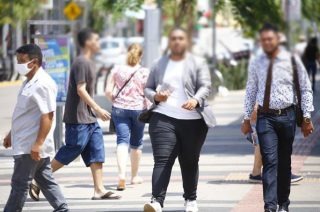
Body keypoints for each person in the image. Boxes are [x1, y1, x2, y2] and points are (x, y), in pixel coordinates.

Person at [29, 28, 121, 201]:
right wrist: (98, 109)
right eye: (96, 39)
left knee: (96, 151)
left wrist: (93, 112)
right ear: (88, 42)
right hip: (78, 117)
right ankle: (37, 178)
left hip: (88, 117)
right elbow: (80, 90)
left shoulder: (89, 62)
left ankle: (99, 190)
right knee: (73, 148)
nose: (99, 42)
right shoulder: (81, 62)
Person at [241, 23, 314, 212]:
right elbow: (251, 90)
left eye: (269, 39)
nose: (266, 42)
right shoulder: (257, 62)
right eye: (263, 40)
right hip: (266, 118)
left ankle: (283, 204)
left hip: (288, 116)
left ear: (277, 39)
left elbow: (305, 88)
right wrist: (246, 118)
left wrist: (306, 117)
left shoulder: (292, 60)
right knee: (270, 161)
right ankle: (270, 207)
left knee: (284, 163)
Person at [143, 27, 216, 212]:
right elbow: (148, 88)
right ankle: (156, 201)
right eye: (173, 38)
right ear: (169, 41)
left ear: (187, 41)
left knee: (190, 160)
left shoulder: (197, 62)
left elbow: (206, 86)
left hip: (193, 122)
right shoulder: (159, 63)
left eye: (181, 38)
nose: (177, 41)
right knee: (162, 160)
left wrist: (195, 100)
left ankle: (190, 199)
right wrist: (156, 97)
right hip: (163, 118)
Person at [3, 44, 68, 211]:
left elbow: (48, 115)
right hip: (27, 141)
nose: (18, 64)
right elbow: (26, 112)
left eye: (21, 61)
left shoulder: (43, 84)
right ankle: (62, 209)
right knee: (45, 179)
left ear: (34, 61)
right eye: (17, 60)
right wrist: (11, 133)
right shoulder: (29, 81)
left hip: (30, 145)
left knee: (19, 185)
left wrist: (38, 144)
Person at [105, 43, 149, 191]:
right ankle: (134, 176)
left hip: (120, 109)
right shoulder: (144, 72)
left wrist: (115, 101)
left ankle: (121, 175)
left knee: (122, 141)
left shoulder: (117, 70)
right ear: (140, 56)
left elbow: (107, 91)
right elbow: (149, 92)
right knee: (136, 143)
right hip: (138, 110)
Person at [248, 105, 303, 184]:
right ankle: (282, 174)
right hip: (265, 109)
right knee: (267, 140)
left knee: (261, 140)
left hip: (264, 108)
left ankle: (256, 173)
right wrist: (254, 107)